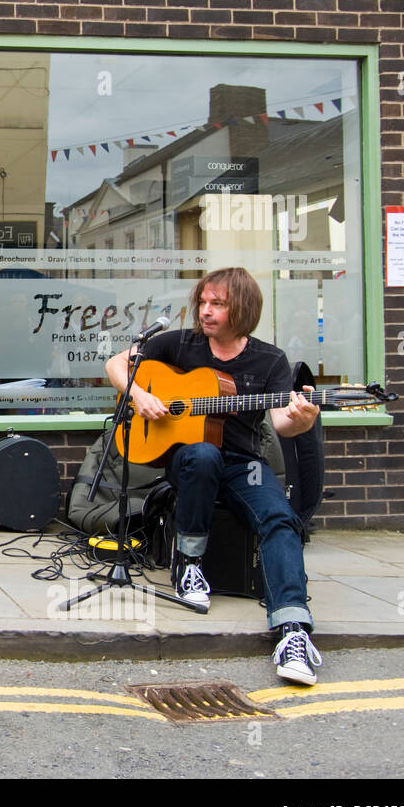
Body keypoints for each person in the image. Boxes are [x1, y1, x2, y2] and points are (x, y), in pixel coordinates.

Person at [104, 267, 324, 685]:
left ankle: (292, 630)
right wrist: (141, 394)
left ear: (241, 308)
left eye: (217, 304)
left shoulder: (270, 360)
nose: (205, 311)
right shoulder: (180, 343)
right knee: (203, 454)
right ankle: (189, 564)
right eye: (203, 302)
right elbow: (117, 363)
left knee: (281, 519)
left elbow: (283, 424)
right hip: (189, 459)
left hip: (243, 463)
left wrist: (303, 419)